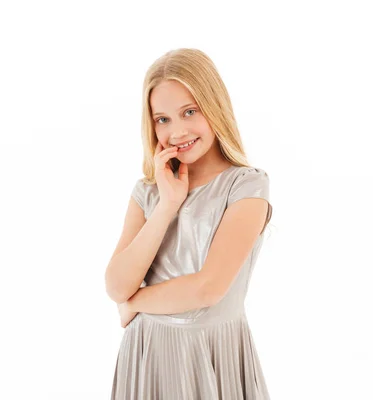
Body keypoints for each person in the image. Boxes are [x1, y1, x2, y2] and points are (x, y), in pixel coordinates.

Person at [105, 48, 273, 400]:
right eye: (162, 119)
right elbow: (117, 285)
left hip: (211, 354)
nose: (177, 131)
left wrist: (135, 303)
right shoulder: (149, 192)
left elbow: (207, 289)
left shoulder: (246, 187)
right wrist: (167, 205)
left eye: (189, 112)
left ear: (214, 107)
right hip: (146, 354)